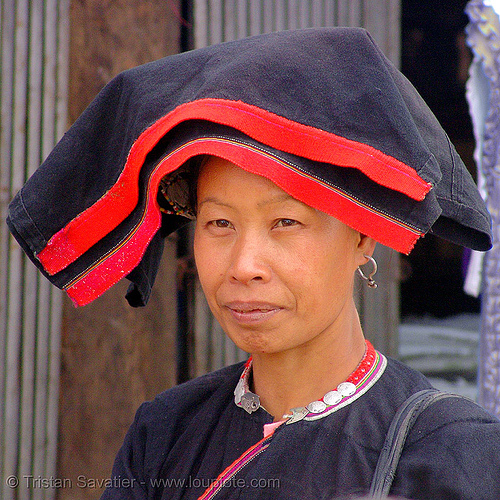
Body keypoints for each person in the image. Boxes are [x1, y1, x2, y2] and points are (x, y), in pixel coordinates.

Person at [7, 27, 500, 499]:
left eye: (285, 222)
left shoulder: (450, 450)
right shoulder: (165, 432)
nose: (244, 266)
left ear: (362, 235)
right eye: (219, 224)